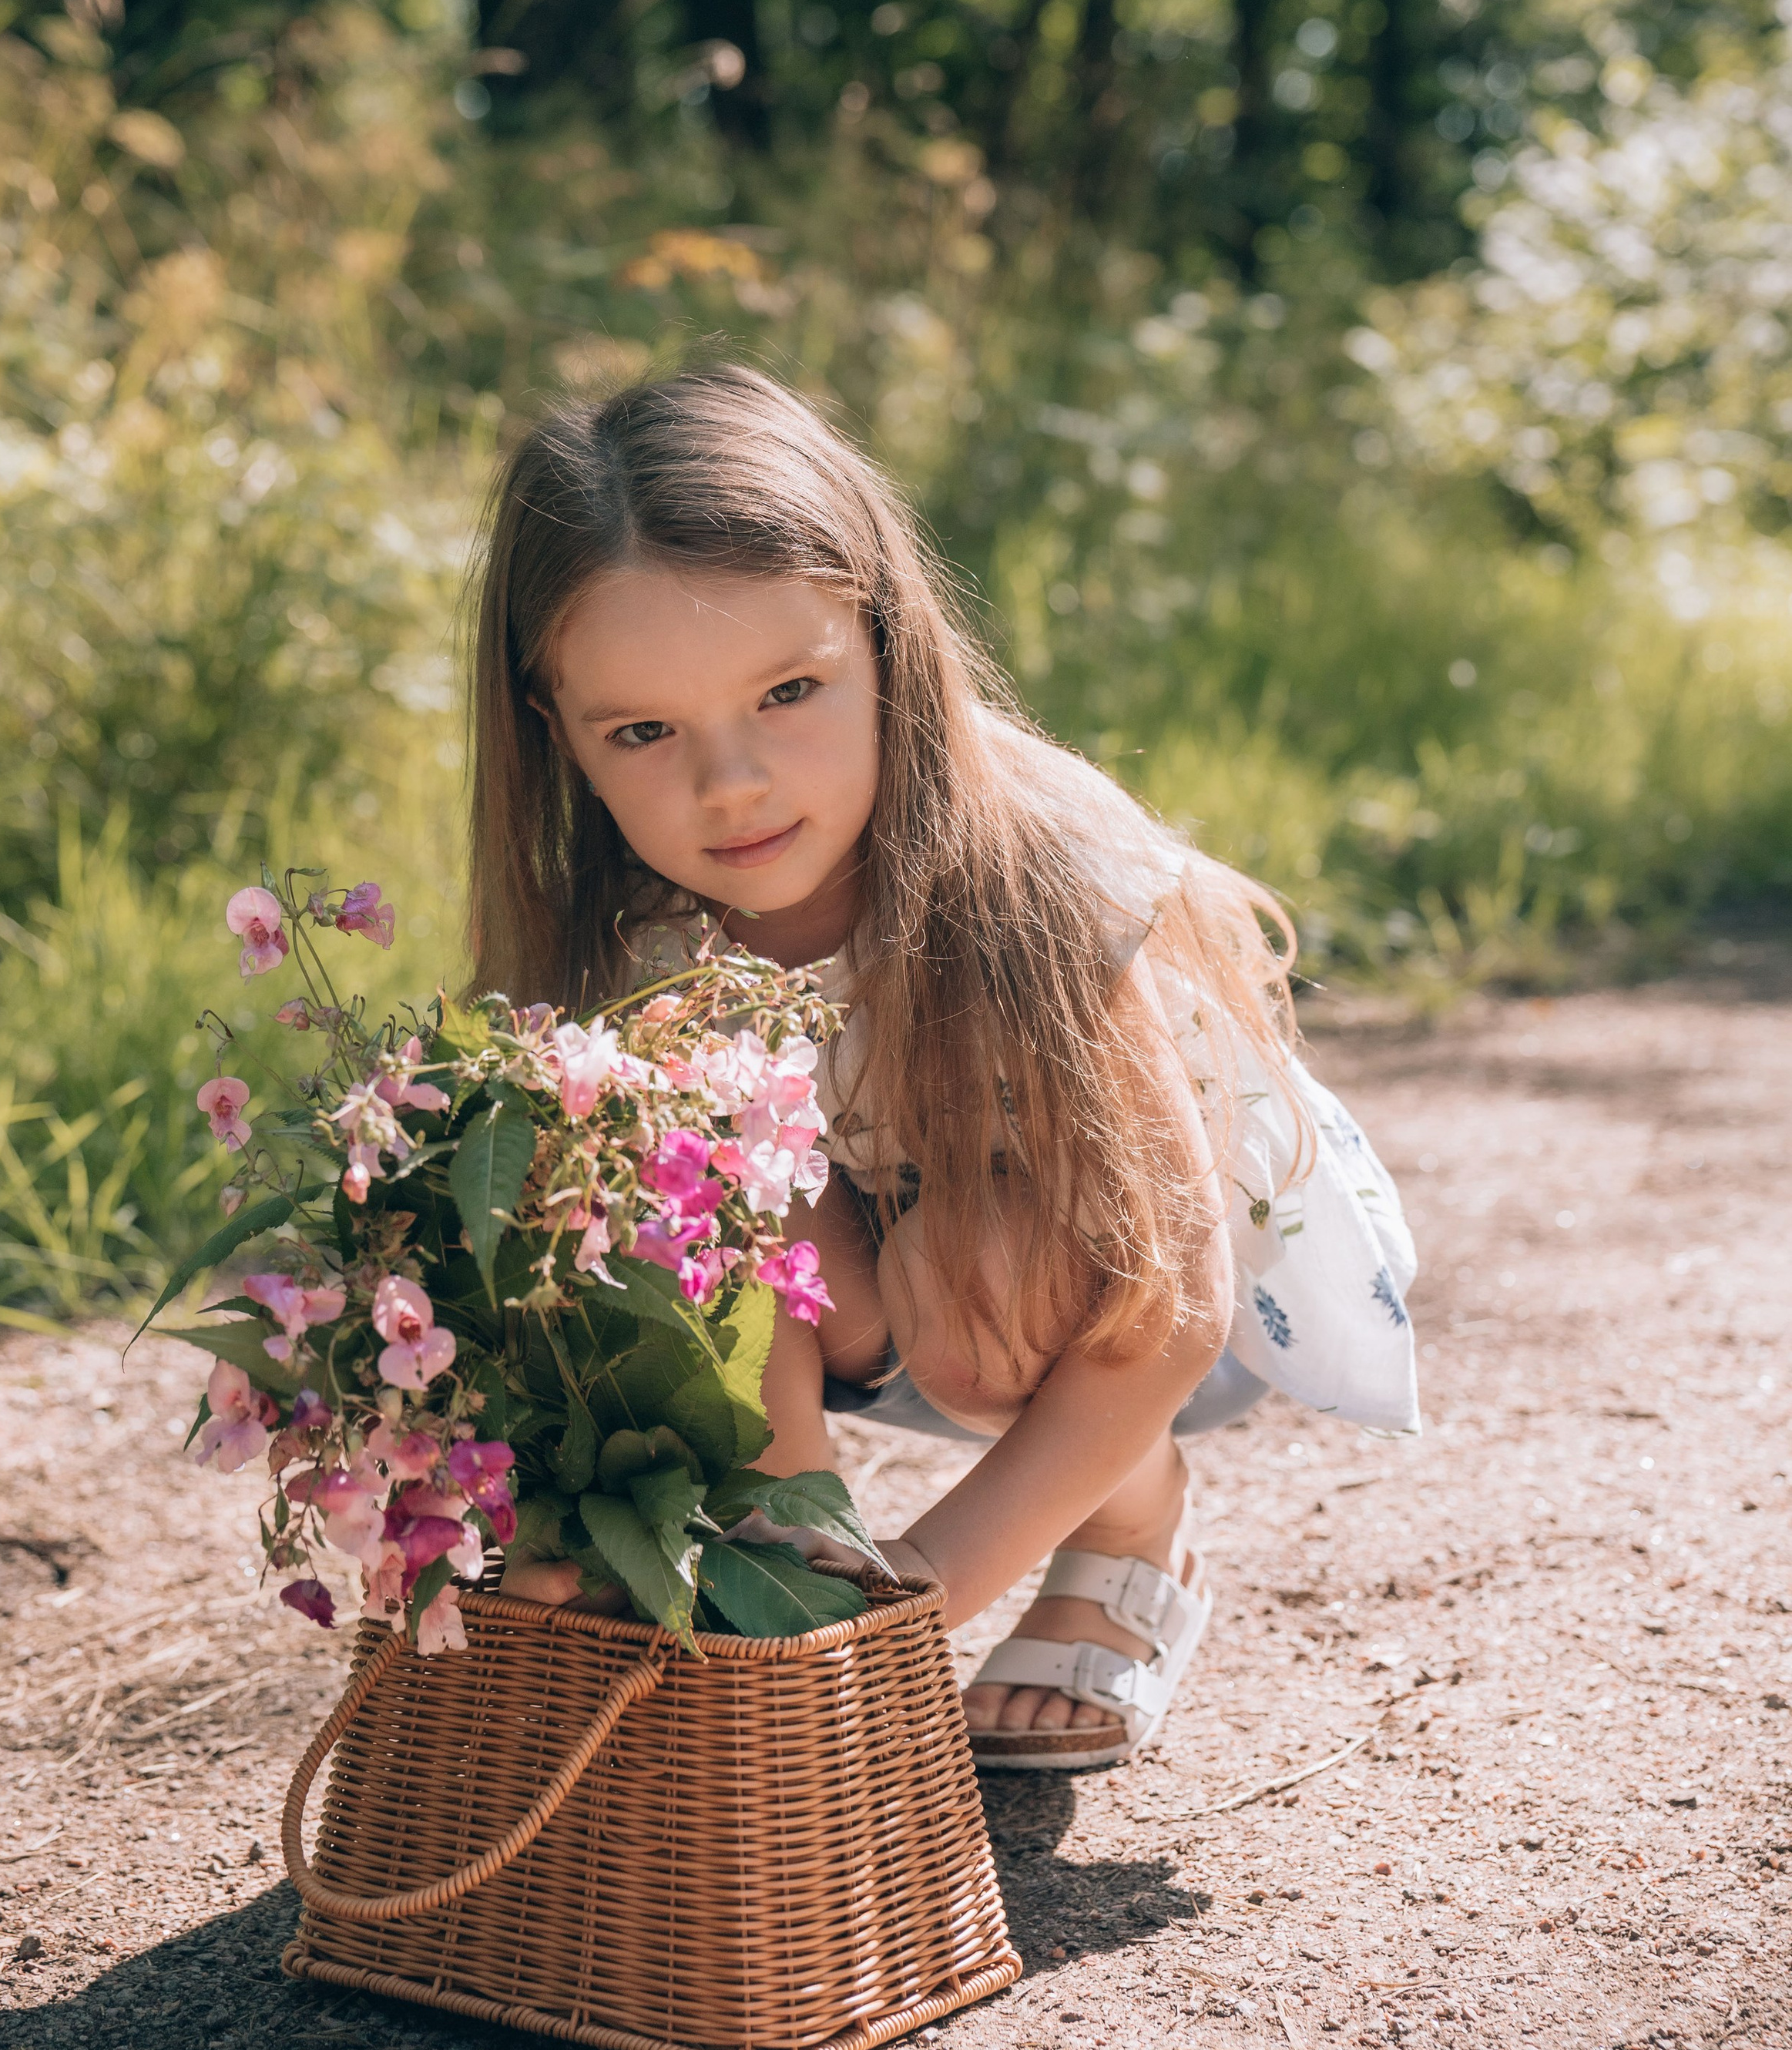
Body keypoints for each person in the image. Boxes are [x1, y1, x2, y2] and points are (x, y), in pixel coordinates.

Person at [470, 364, 1418, 1770]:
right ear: (558, 730)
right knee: (676, 1188)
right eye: (644, 732)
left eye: (789, 691)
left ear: (886, 646)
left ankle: (1129, 1521)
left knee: (982, 1278)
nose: (732, 784)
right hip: (880, 1288)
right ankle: (798, 1561)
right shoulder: (631, 944)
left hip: (1143, 1297)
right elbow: (712, 1276)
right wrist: (797, 1588)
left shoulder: (1035, 872)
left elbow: (1174, 1298)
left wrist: (929, 1584)